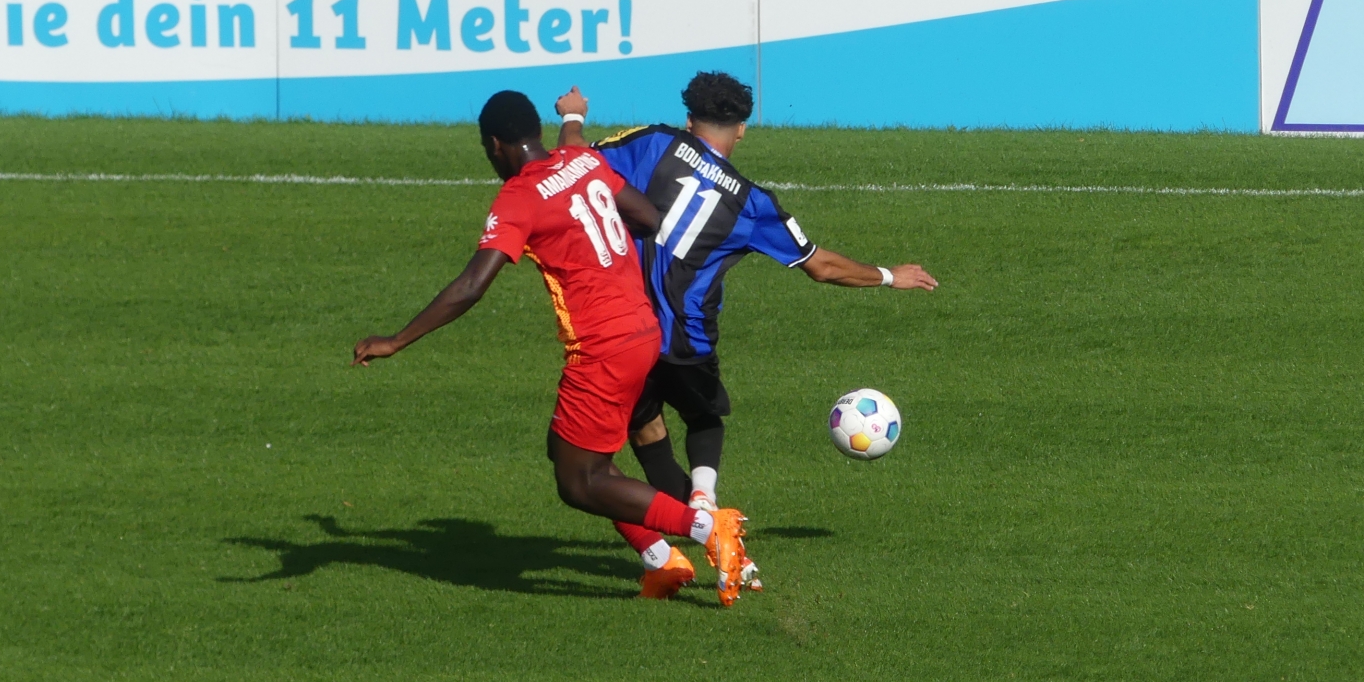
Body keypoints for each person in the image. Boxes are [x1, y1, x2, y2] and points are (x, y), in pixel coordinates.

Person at [353, 90, 753, 604]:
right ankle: (661, 561)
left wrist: (396, 340)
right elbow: (648, 217)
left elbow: (471, 286)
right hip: (641, 328)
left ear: (494, 145)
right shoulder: (582, 161)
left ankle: (707, 529)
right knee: (568, 452)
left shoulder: (519, 197)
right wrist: (574, 119)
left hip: (601, 347)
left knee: (577, 482)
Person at [555, 72, 937, 587]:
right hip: (687, 341)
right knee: (705, 418)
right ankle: (705, 503)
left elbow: (574, 163)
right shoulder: (752, 203)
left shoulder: (651, 143)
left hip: (626, 330)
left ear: (688, 120)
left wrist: (572, 116)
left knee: (644, 434)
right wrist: (890, 275)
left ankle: (694, 542)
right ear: (742, 130)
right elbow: (820, 266)